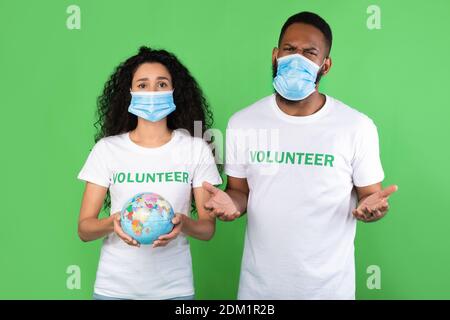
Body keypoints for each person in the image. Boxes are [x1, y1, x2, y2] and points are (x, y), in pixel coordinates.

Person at [202, 12, 398, 299]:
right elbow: (238, 191)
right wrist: (229, 203)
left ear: (325, 65)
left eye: (310, 53)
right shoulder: (244, 122)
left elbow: (370, 196)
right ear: (275, 55)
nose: (297, 59)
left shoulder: (356, 126)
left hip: (329, 290)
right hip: (259, 290)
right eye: (289, 49)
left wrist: (372, 208)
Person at [77, 46, 221, 300]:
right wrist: (113, 223)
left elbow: (208, 229)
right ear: (129, 93)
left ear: (175, 92)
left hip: (174, 290)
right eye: (142, 85)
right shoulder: (107, 150)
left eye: (161, 84)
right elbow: (85, 229)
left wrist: (184, 223)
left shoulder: (195, 149)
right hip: (114, 289)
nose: (152, 92)